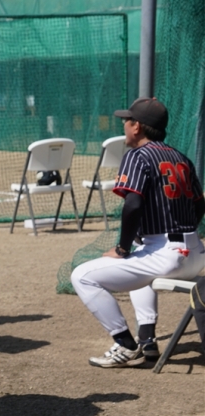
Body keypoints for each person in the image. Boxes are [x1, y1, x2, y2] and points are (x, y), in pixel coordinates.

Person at [71, 97, 205, 368]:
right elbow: (200, 204)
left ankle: (125, 344)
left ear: (137, 127)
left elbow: (132, 205)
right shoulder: (181, 157)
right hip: (196, 253)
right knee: (141, 259)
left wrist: (122, 248)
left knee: (82, 276)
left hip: (167, 255)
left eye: (127, 120)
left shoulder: (137, 155)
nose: (124, 125)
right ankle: (147, 340)